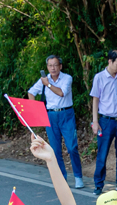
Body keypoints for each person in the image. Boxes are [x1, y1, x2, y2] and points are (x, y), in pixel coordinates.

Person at [29, 55, 84, 189]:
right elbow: (31, 92)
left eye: (55, 65)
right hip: (51, 115)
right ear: (47, 67)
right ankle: (62, 179)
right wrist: (36, 110)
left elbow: (61, 93)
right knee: (55, 150)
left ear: (60, 66)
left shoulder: (66, 78)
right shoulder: (43, 79)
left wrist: (47, 84)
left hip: (66, 113)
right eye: (50, 65)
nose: (52, 68)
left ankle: (78, 176)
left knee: (72, 147)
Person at [89, 50, 117, 196]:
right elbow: (95, 99)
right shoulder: (99, 78)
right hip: (106, 121)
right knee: (102, 153)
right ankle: (99, 185)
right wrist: (95, 122)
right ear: (110, 61)